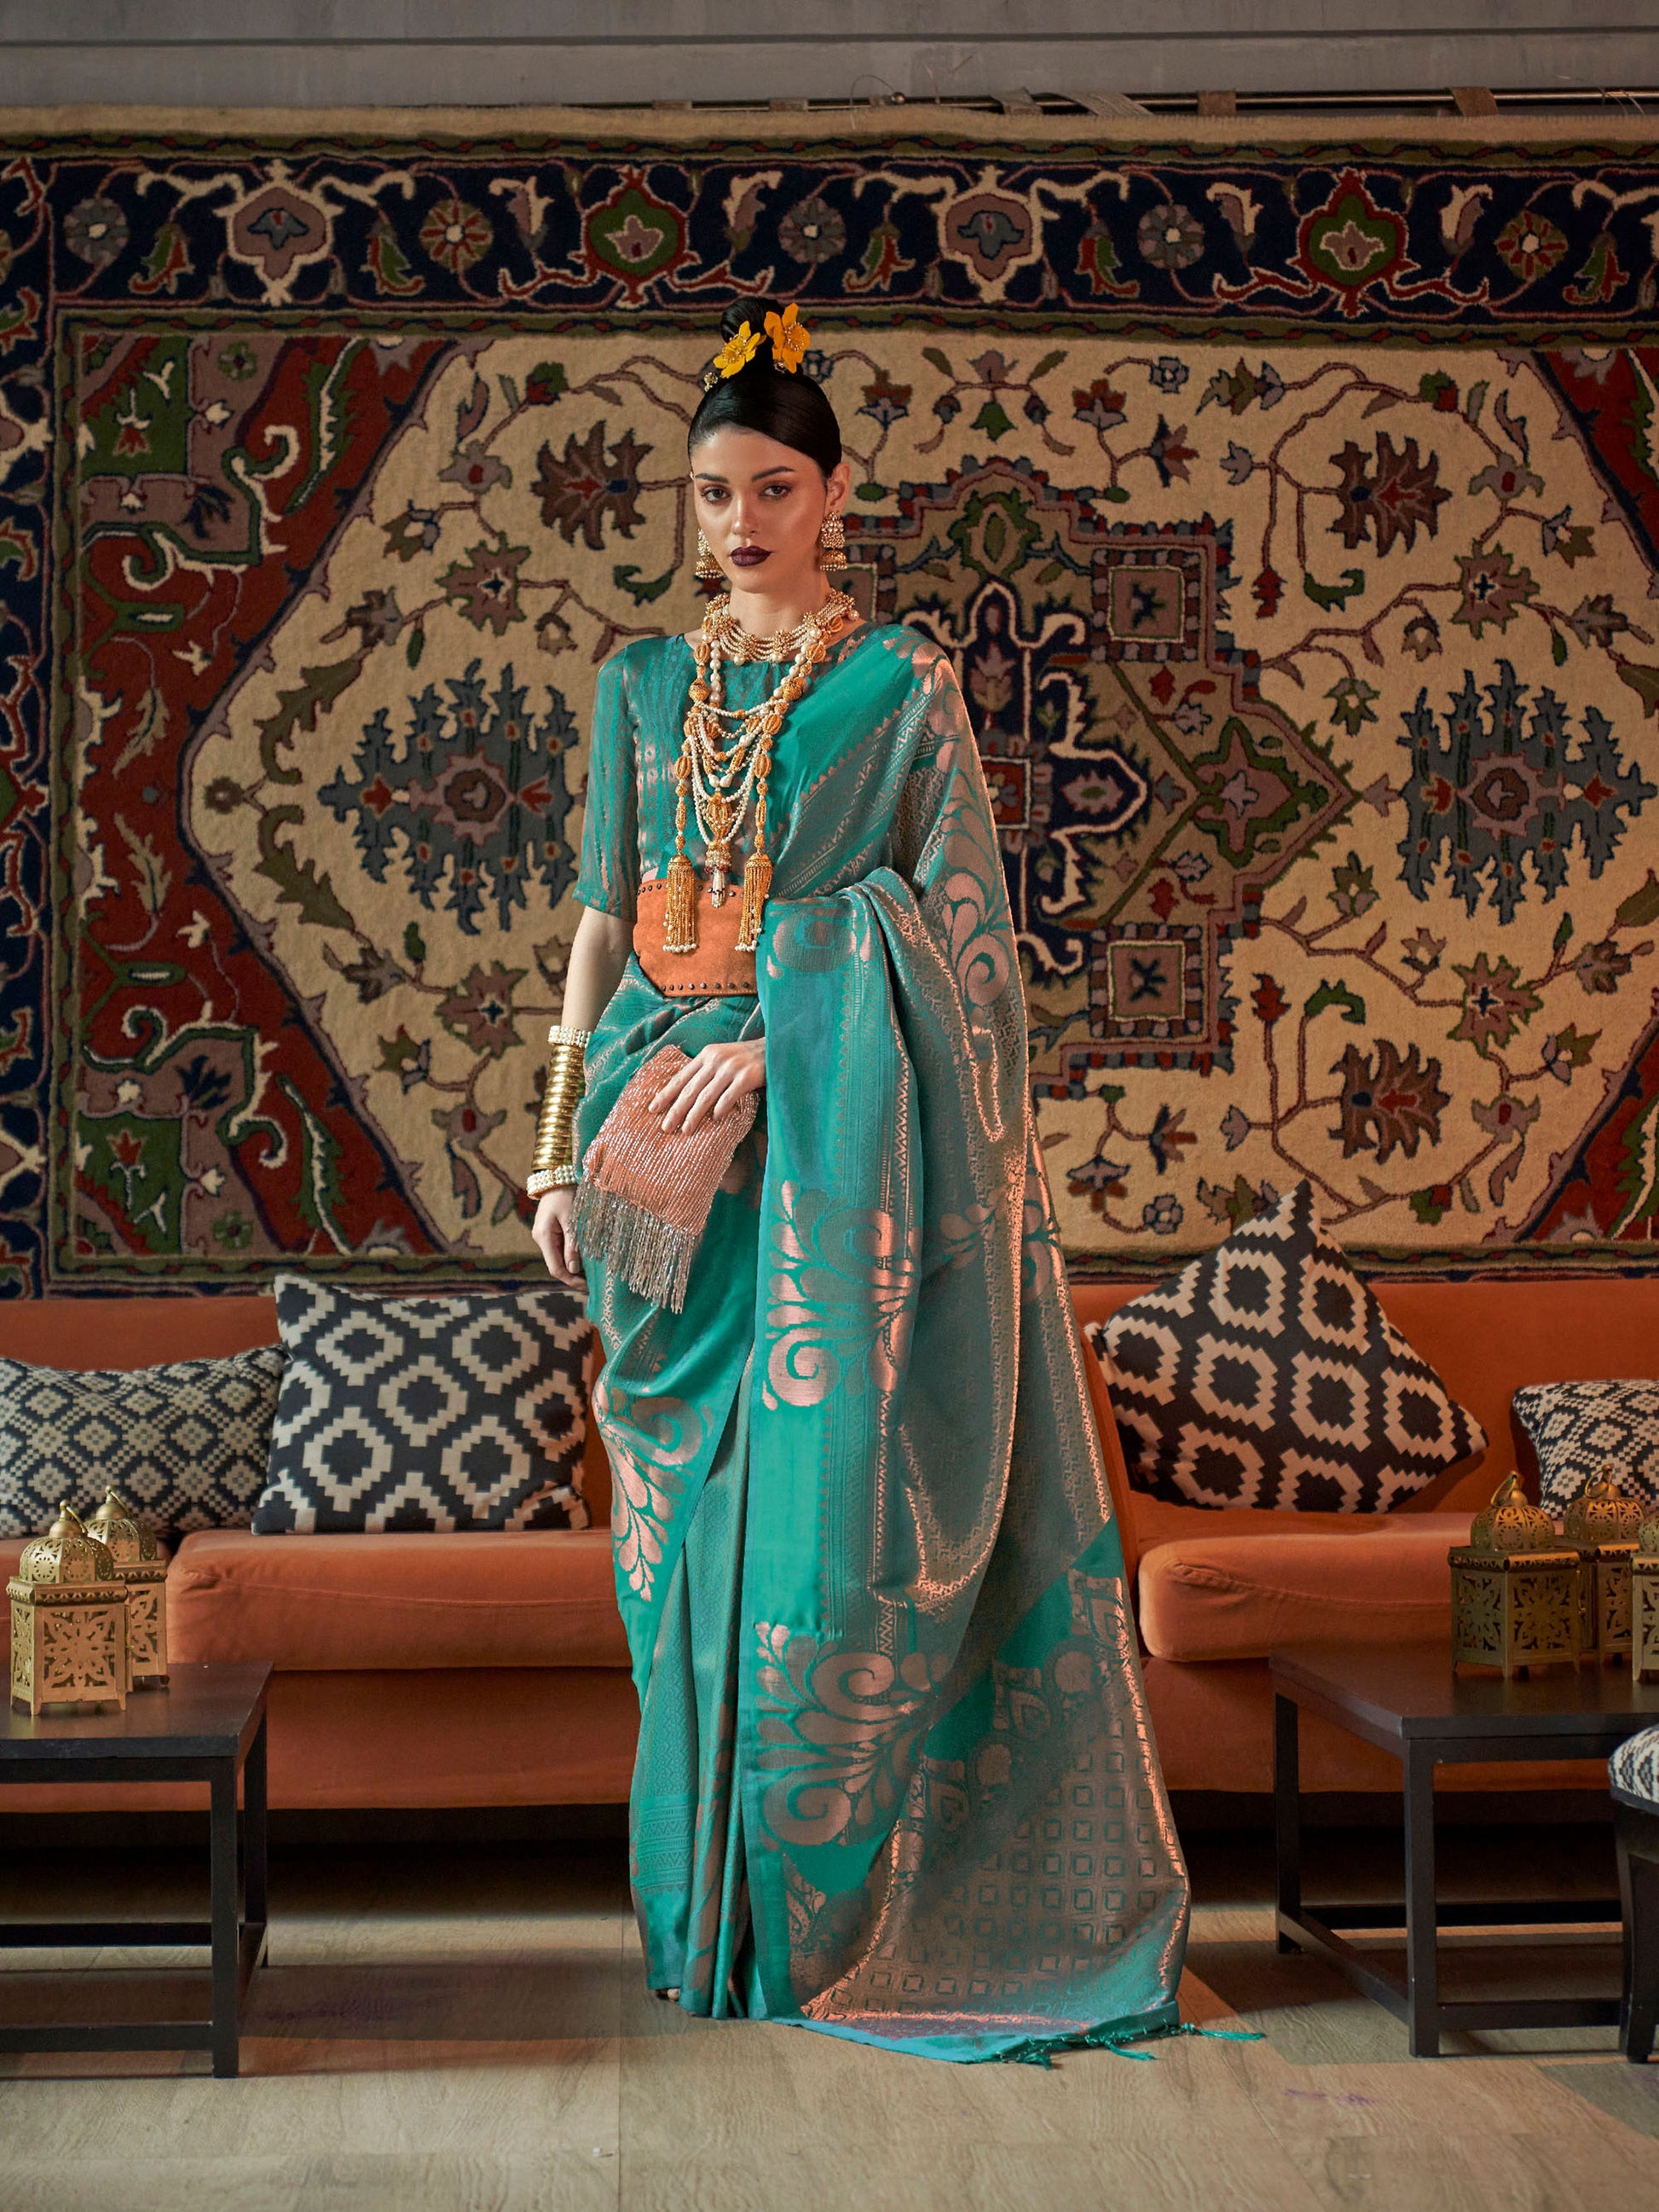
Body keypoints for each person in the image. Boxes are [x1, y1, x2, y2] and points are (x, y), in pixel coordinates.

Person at [529, 301, 1189, 2062]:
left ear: (832, 494)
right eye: (711, 492)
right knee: (672, 1549)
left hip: (828, 1150)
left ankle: (812, 1933)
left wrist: (788, 1035)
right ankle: (702, 1930)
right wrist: (554, 1146)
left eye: (772, 487)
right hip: (652, 1129)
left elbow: (959, 942)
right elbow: (597, 927)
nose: (738, 520)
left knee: (820, 1548)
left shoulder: (899, 685)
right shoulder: (639, 688)